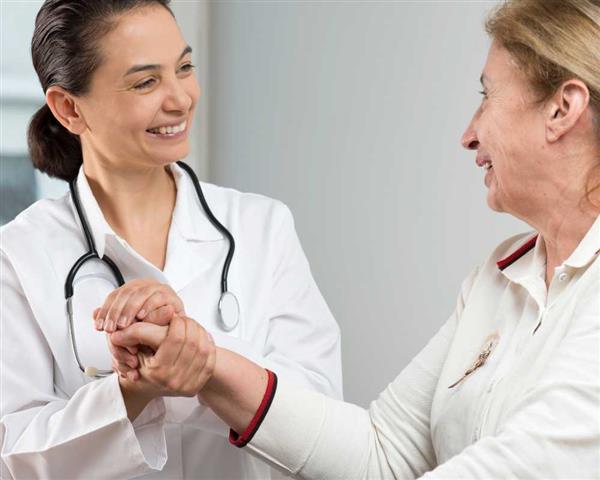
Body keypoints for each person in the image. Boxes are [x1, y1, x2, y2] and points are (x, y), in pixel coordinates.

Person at [109, 0, 600, 478]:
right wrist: (205, 363)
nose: (469, 134)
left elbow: (517, 466)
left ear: (562, 108)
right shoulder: (499, 277)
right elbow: (382, 452)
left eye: (487, 96)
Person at [0, 1, 342, 478]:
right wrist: (131, 391)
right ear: (69, 108)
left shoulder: (262, 227)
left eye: (184, 68)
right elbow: (14, 455)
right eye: (146, 82)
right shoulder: (18, 256)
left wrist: (201, 357)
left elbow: (324, 424)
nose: (180, 99)